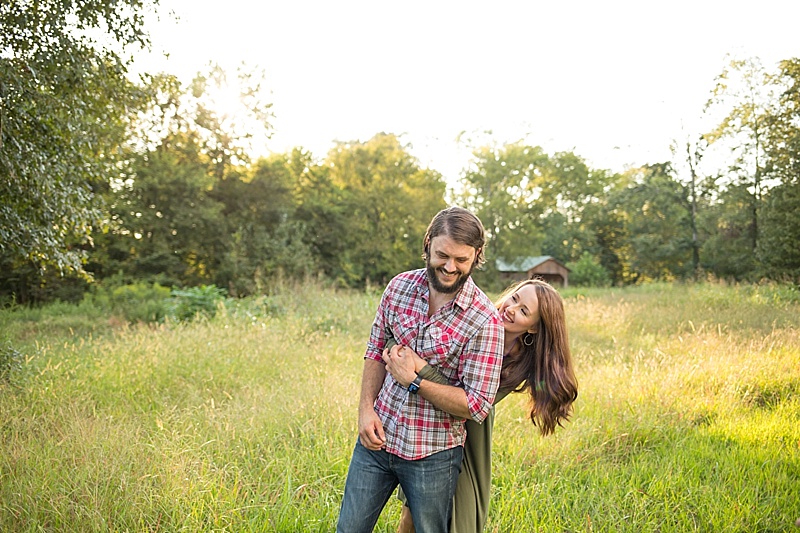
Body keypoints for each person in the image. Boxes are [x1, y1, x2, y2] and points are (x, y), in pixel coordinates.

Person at [336, 206, 505, 533]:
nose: (450, 267)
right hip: (377, 440)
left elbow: (477, 405)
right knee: (349, 528)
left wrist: (414, 380)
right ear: (428, 243)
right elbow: (374, 350)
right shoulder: (398, 287)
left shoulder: (485, 320)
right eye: (443, 255)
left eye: (462, 260)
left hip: (434, 455)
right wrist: (365, 410)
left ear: (476, 256)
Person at [385, 278, 579, 533]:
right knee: (412, 516)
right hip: (430, 421)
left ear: (533, 328)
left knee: (461, 517)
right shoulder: (476, 319)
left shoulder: (519, 363)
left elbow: (471, 402)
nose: (510, 308)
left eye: (523, 311)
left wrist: (418, 369)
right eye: (514, 298)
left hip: (469, 433)